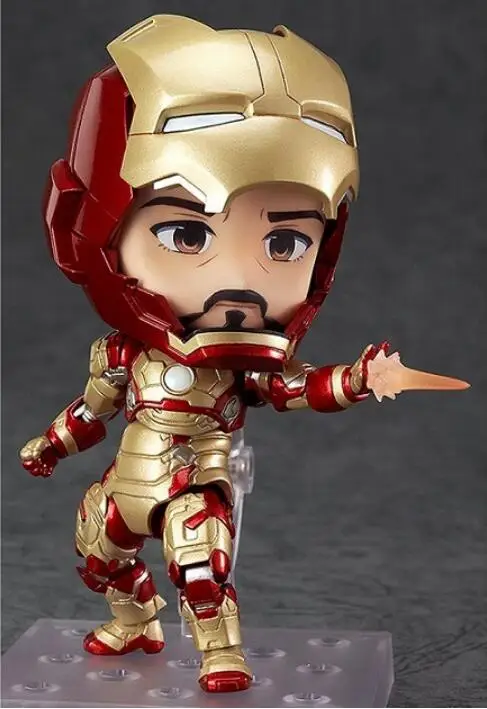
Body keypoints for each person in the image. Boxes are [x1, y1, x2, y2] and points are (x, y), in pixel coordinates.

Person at [19, 15, 468, 694]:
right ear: (97, 231)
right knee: (98, 556)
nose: (237, 279)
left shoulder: (241, 366)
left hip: (196, 480)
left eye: (285, 243)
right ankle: (136, 619)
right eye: (186, 233)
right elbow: (92, 410)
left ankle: (221, 654)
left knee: (199, 564)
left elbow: (295, 387)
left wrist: (356, 378)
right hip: (127, 479)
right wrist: (51, 446)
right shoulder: (121, 353)